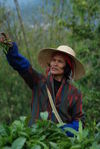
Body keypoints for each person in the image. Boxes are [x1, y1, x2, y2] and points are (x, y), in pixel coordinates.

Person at [0, 33, 85, 137]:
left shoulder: (74, 93)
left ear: (67, 67)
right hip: (36, 139)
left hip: (59, 142)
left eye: (60, 62)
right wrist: (10, 47)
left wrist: (62, 130)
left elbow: (79, 122)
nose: (55, 64)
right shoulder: (39, 82)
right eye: (53, 60)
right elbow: (23, 66)